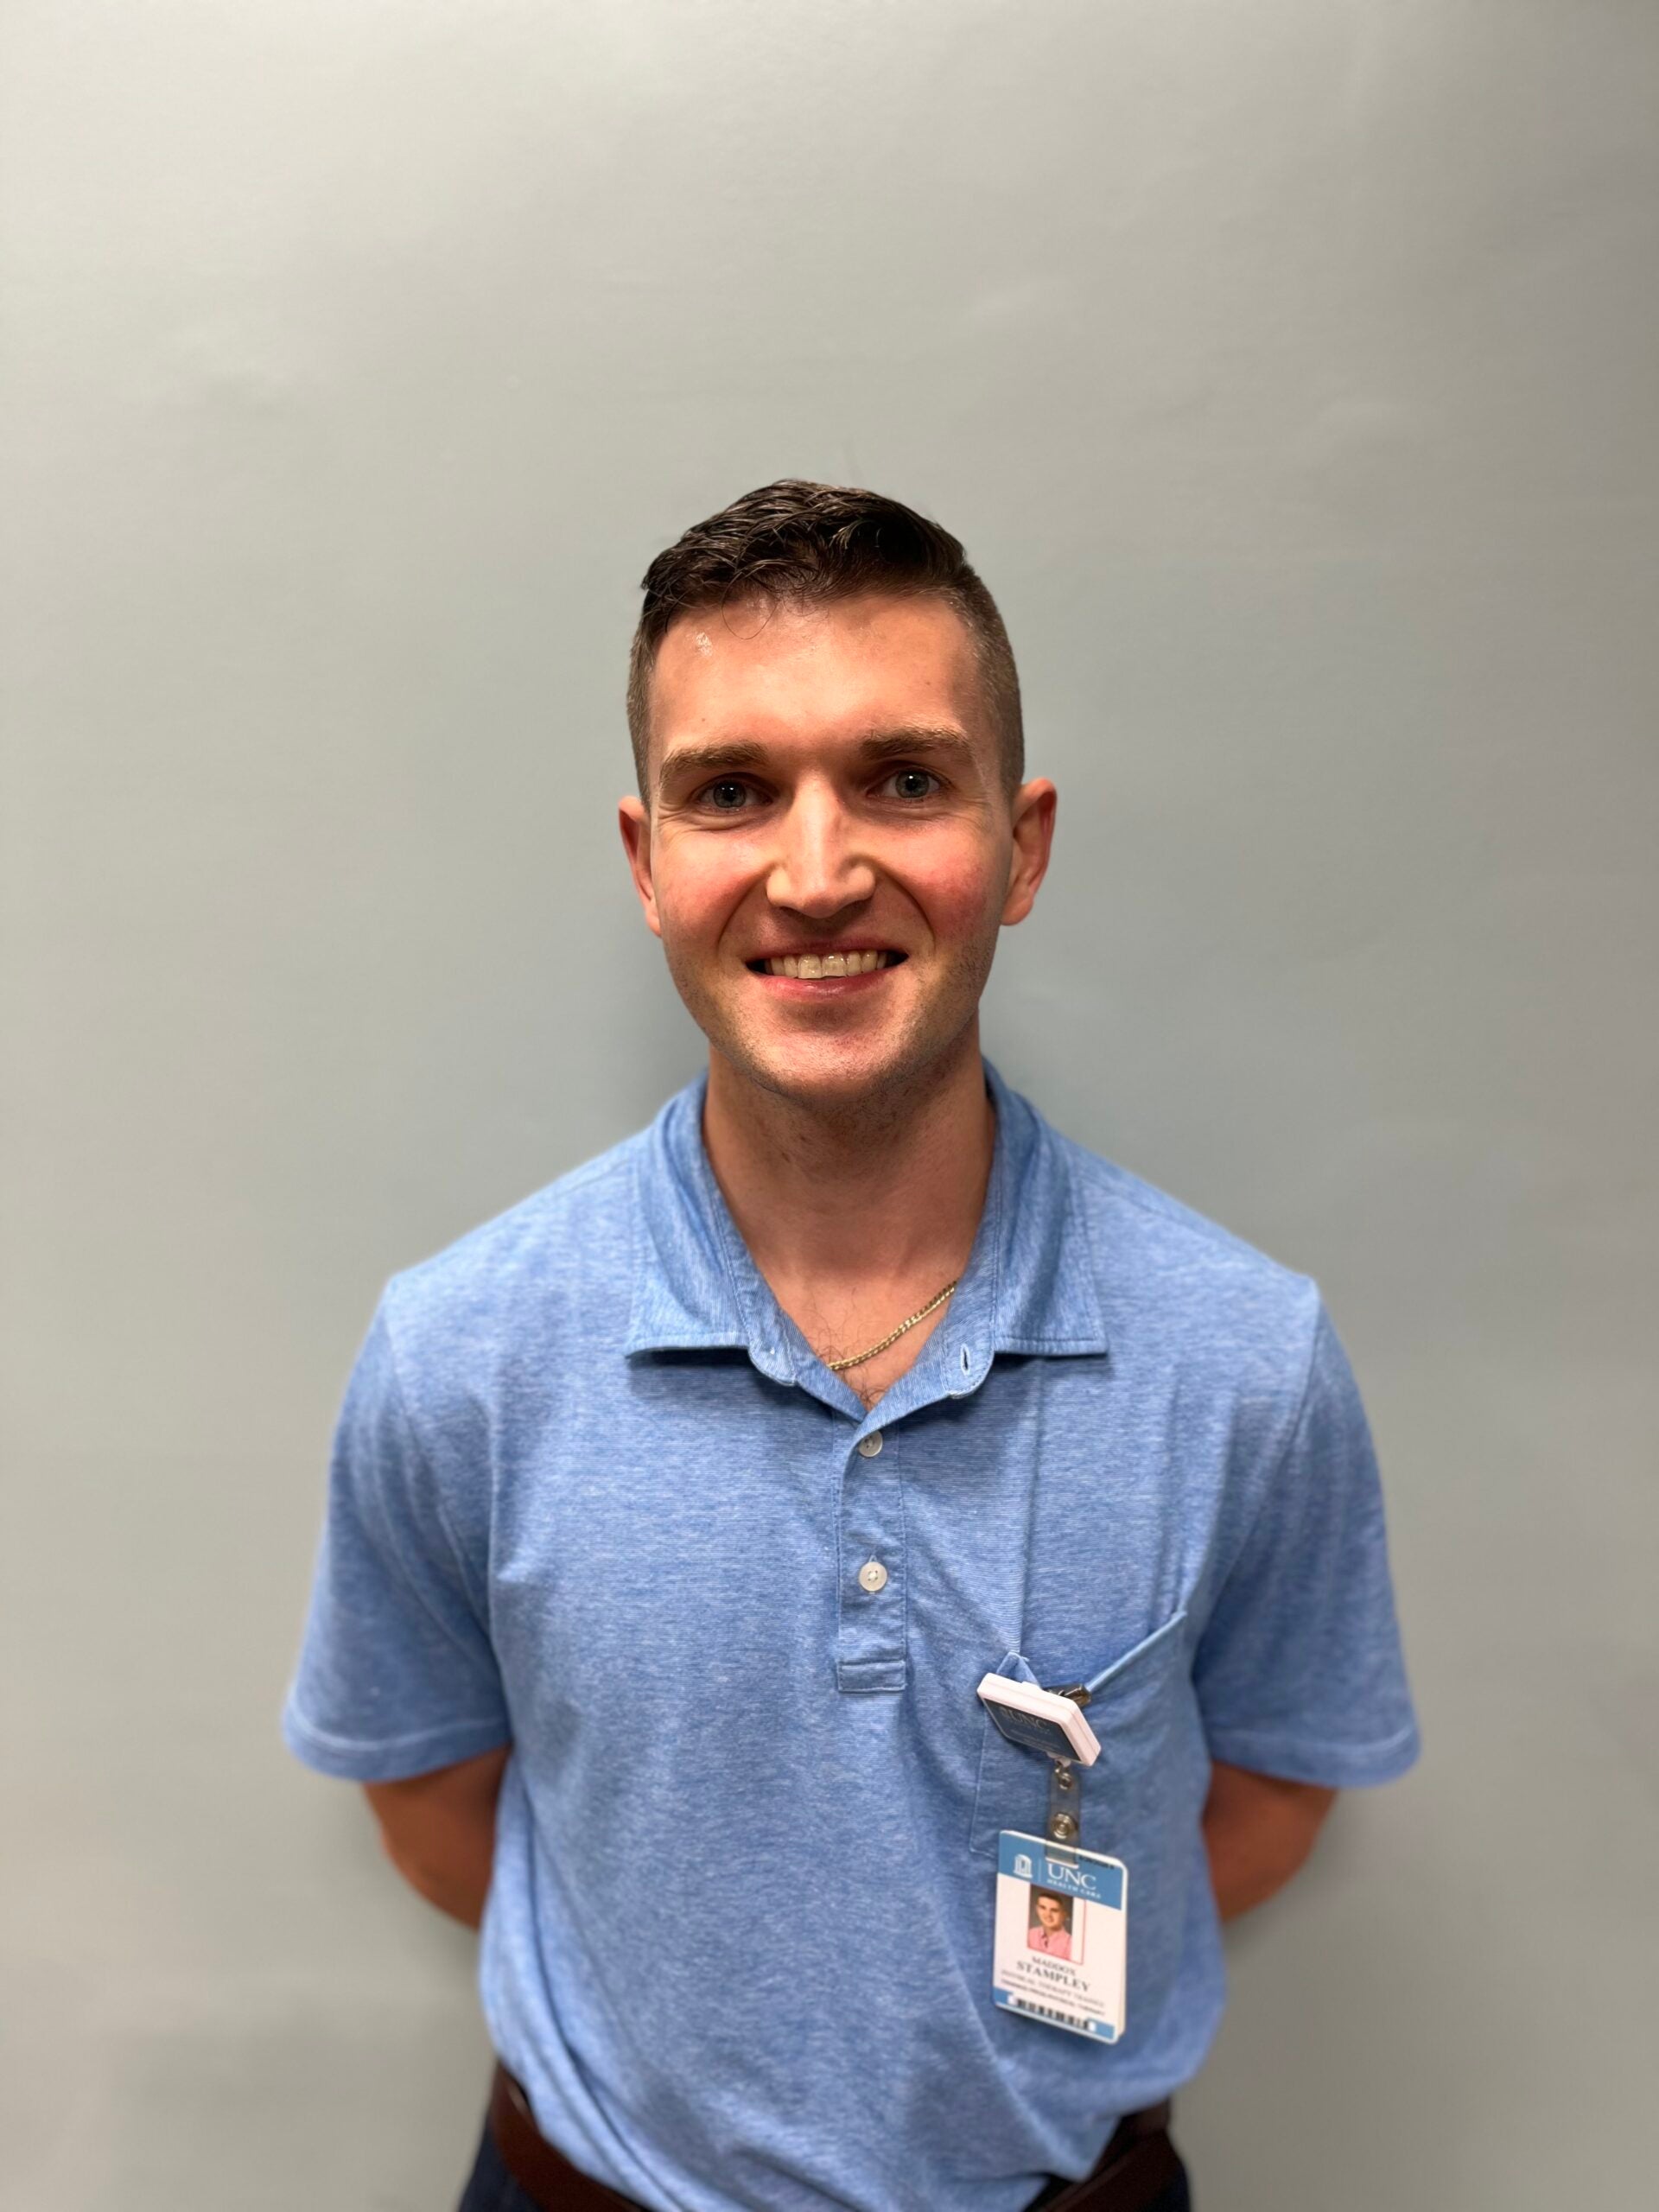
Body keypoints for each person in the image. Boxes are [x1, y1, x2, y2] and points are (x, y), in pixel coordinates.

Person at [283, 480, 1420, 2212]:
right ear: (647, 859)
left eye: (902, 776)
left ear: (1019, 842)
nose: (818, 871)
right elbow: (437, 1800)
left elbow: (1264, 1792)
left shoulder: (1244, 1358)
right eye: (733, 790)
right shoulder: (462, 1352)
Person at [1029, 1891, 1074, 1961]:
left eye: (1054, 1910)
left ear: (1064, 1915)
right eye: (1043, 1908)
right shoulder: (1030, 1934)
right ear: (1037, 1909)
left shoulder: (1071, 1945)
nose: (1048, 1915)